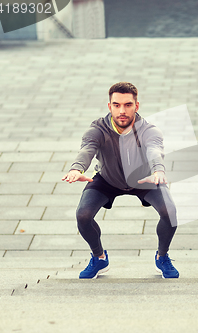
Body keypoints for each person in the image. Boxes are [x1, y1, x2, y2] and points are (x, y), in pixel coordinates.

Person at [62, 82, 179, 279]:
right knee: (83, 215)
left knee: (170, 212)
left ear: (137, 105)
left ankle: (162, 256)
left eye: (127, 105)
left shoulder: (149, 130)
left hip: (145, 179)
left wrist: (158, 169)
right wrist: (77, 168)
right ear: (109, 106)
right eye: (116, 105)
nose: (122, 110)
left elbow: (154, 150)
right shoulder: (98, 128)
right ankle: (99, 258)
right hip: (108, 179)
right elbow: (87, 149)